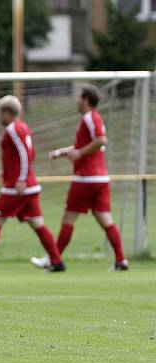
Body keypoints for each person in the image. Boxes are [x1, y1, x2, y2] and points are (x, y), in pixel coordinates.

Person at [0, 96, 65, 273]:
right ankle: (56, 262)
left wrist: (20, 178)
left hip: (17, 188)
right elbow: (25, 154)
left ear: (7, 112)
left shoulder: (13, 128)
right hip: (29, 185)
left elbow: (25, 154)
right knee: (38, 224)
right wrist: (8, 172)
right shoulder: (23, 127)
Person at [31, 85, 129, 271]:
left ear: (85, 99)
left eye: (78, 97)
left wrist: (80, 153)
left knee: (68, 218)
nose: (76, 101)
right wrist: (61, 152)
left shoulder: (89, 117)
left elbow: (101, 140)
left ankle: (54, 259)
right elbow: (83, 146)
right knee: (105, 219)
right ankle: (121, 260)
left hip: (86, 179)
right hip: (100, 179)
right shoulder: (92, 119)